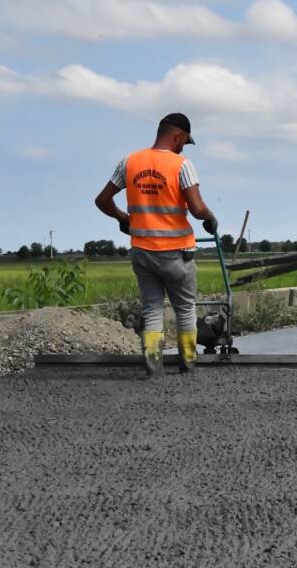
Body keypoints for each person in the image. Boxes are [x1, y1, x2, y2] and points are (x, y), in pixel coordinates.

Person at [94, 112, 219, 377]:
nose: (184, 146)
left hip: (143, 251)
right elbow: (196, 209)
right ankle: (188, 362)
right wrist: (210, 218)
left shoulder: (129, 162)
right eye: (185, 141)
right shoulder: (182, 165)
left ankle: (153, 364)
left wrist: (123, 218)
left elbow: (102, 200)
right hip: (177, 253)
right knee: (185, 308)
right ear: (178, 135)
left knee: (152, 308)